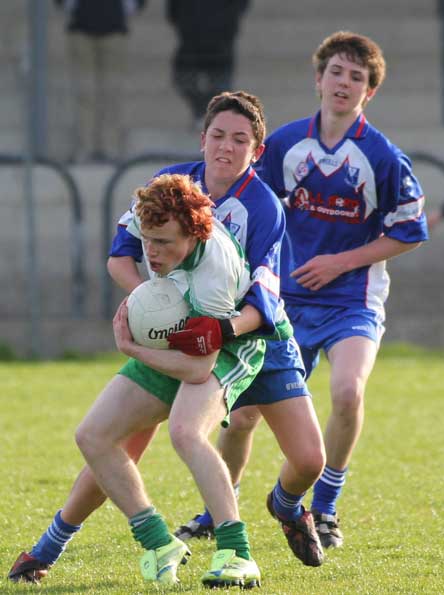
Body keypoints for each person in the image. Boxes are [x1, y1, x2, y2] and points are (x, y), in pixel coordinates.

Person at [8, 91, 325, 586]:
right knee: (104, 438)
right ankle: (72, 547)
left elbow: (246, 314)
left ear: (257, 151)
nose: (226, 146)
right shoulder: (167, 189)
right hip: (188, 333)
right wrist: (153, 308)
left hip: (248, 334)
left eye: (239, 139)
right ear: (202, 139)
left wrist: (167, 335)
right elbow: (120, 258)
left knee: (306, 459)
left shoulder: (257, 215)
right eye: (217, 135)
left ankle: (275, 515)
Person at [176, 31, 429, 550]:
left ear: (369, 92)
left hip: (351, 301)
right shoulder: (286, 143)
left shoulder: (381, 156)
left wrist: (341, 261)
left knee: (348, 391)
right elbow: (246, 199)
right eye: (336, 72)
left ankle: (326, 507)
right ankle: (216, 509)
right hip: (281, 302)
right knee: (242, 414)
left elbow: (409, 230)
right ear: (319, 79)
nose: (345, 83)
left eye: (357, 77)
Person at [54, 0, 147, 162]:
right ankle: (85, 147)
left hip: (114, 26)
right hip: (82, 26)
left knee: (112, 93)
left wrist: (122, 9)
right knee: (85, 93)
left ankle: (110, 147)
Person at [166, 0, 250, 129]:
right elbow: (173, 11)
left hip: (221, 39)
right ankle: (202, 111)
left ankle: (208, 114)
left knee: (220, 84)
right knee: (184, 80)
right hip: (191, 37)